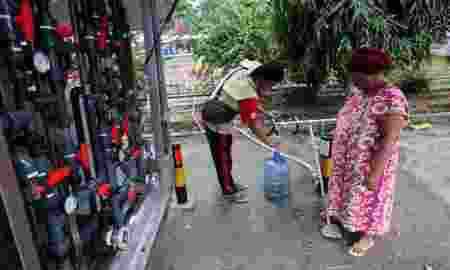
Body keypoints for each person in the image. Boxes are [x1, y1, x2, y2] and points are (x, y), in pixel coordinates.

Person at [324, 48, 409, 256]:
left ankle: (368, 236)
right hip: (348, 161)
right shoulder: (360, 93)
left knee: (370, 199)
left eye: (358, 78)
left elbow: (390, 139)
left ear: (373, 73)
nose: (355, 83)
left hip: (370, 163)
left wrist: (375, 173)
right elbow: (351, 118)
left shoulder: (392, 98)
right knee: (348, 194)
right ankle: (344, 220)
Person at [199, 59, 285, 203]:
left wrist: (264, 112)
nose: (271, 88)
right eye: (271, 84)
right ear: (263, 79)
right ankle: (228, 192)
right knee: (222, 159)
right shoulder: (248, 93)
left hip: (219, 110)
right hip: (217, 120)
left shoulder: (247, 73)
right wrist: (269, 142)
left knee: (226, 156)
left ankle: (229, 183)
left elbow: (246, 102)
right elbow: (252, 124)